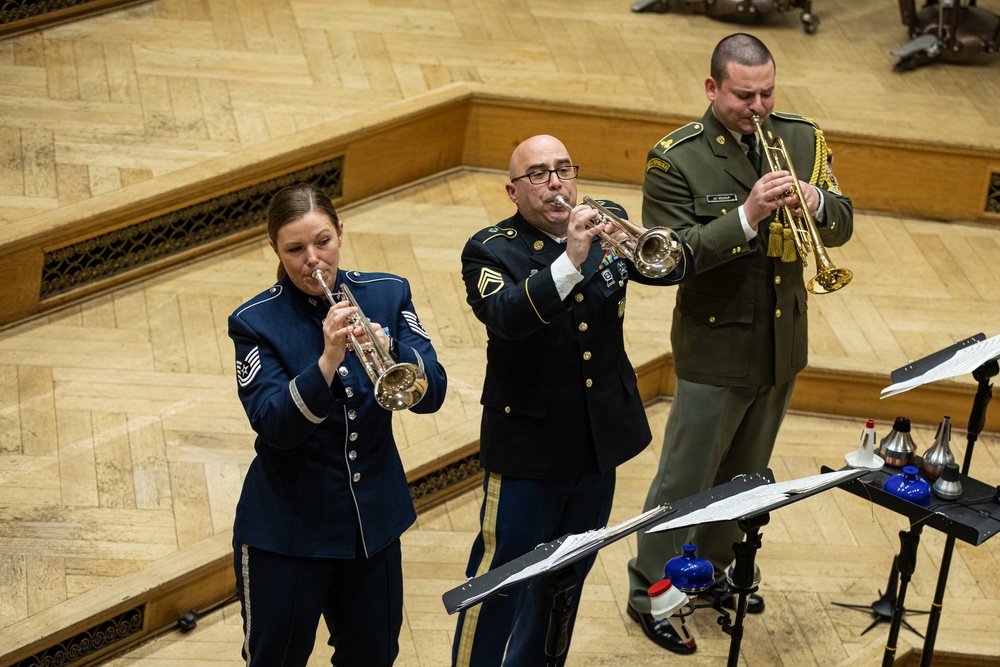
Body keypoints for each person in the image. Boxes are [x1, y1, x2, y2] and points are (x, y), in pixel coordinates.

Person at [625, 33, 854, 655]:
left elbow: (844, 220)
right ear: (712, 89)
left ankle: (716, 569)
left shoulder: (802, 137)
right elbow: (667, 261)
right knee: (685, 478)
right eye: (744, 95)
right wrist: (747, 216)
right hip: (715, 345)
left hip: (781, 342)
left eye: (767, 92)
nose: (759, 107)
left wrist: (819, 202)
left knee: (746, 474)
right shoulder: (675, 159)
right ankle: (652, 588)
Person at [451, 134, 695, 667]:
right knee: (500, 583)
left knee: (567, 580)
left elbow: (670, 266)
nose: (556, 181)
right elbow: (506, 317)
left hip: (597, 442)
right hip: (527, 449)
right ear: (513, 192)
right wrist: (570, 259)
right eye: (538, 174)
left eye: (563, 169)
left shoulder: (606, 221)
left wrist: (639, 241)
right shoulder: (489, 250)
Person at [227, 183, 447, 667]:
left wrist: (395, 353)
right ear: (274, 250)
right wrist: (327, 361)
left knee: (372, 656)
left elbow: (435, 393)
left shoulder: (387, 293)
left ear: (341, 233)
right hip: (287, 530)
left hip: (372, 524)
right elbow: (274, 425)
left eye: (322, 242)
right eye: (295, 249)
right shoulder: (255, 322)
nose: (313, 260)